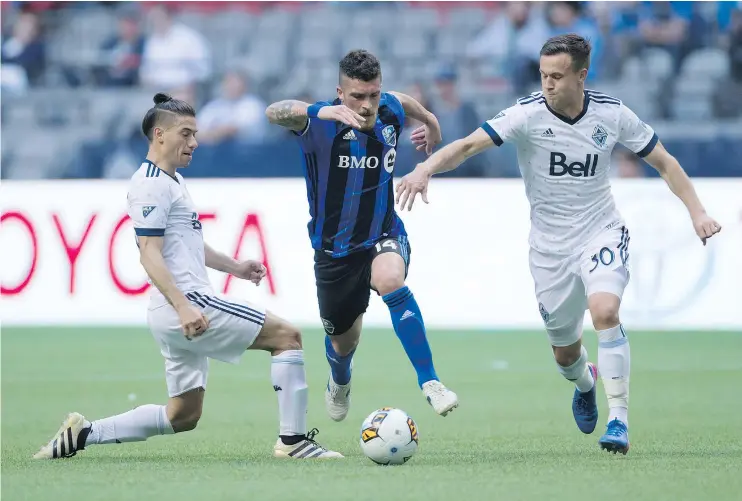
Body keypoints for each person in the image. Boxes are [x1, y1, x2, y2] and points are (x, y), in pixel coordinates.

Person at [395, 34, 721, 454]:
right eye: (543, 75)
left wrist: (697, 212)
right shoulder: (527, 114)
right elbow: (467, 146)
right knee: (565, 356)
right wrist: (426, 169)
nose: (547, 84)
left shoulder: (612, 114)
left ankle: (619, 419)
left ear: (581, 75)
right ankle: (585, 382)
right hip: (549, 249)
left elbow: (664, 162)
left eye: (557, 76)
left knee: (605, 310)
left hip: (600, 230)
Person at [33, 93, 342, 461]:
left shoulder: (171, 180)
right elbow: (149, 254)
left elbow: (190, 245)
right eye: (186, 133)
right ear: (159, 134)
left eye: (195, 133)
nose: (194, 141)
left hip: (174, 309)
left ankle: (84, 433)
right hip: (185, 304)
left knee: (183, 414)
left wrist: (236, 267)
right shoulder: (150, 184)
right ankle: (293, 443)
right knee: (287, 337)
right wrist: (182, 307)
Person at [265, 50, 458, 422]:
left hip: (382, 232)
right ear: (340, 93)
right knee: (343, 343)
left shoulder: (388, 108)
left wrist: (431, 121)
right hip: (334, 251)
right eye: (357, 97)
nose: (367, 105)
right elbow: (273, 111)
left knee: (390, 279)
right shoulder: (318, 123)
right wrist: (316, 111)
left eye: (373, 94)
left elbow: (400, 100)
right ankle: (340, 380)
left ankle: (430, 381)